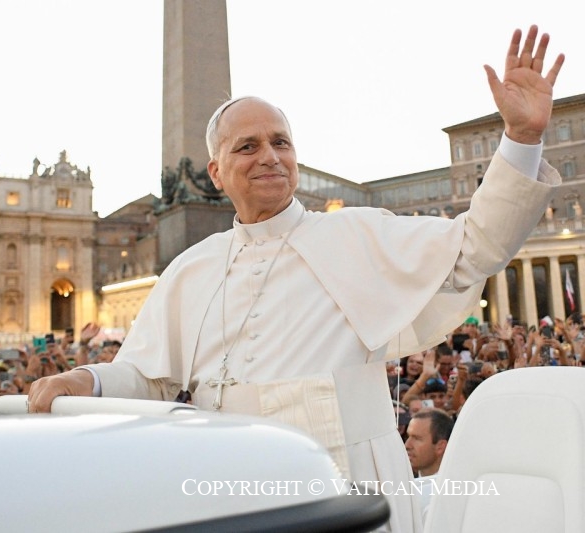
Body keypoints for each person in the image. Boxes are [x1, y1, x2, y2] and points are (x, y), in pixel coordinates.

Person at [28, 26, 564, 533]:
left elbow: (479, 246)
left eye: (280, 142)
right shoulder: (192, 269)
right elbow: (148, 376)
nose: (270, 157)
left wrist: (520, 137)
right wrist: (86, 380)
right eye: (248, 146)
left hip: (349, 481)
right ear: (215, 174)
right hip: (231, 485)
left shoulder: (357, 235)